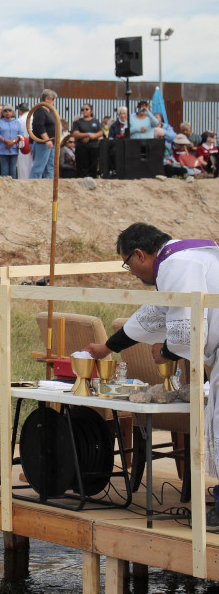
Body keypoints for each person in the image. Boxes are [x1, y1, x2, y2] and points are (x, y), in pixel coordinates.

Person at [83, 223, 219, 527]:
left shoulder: (177, 265)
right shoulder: (181, 258)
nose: (131, 272)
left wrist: (167, 352)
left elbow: (187, 331)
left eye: (128, 264)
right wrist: (108, 347)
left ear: (140, 254)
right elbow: (153, 314)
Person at [71, 103, 104, 178]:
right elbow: (75, 134)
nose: (84, 111)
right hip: (81, 148)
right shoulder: (78, 122)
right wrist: (87, 134)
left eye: (86, 109)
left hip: (94, 148)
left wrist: (92, 136)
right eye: (83, 109)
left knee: (93, 168)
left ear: (91, 111)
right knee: (82, 169)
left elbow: (100, 132)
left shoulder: (96, 121)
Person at [30, 89, 57, 179]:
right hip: (43, 143)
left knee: (50, 167)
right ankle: (32, 183)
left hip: (52, 142)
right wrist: (46, 140)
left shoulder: (51, 111)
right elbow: (39, 126)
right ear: (47, 99)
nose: (53, 101)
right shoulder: (40, 111)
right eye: (53, 99)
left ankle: (49, 184)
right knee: (38, 167)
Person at [0, 105, 24, 178]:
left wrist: (13, 142)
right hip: (3, 149)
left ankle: (14, 187)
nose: (7, 112)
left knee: (13, 170)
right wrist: (5, 140)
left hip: (13, 149)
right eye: (5, 110)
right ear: (3, 113)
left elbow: (21, 134)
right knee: (5, 170)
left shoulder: (17, 122)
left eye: (9, 110)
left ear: (12, 112)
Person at [15, 103, 32, 179]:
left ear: (20, 111)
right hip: (32, 143)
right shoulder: (33, 118)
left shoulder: (19, 120)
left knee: (23, 165)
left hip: (23, 144)